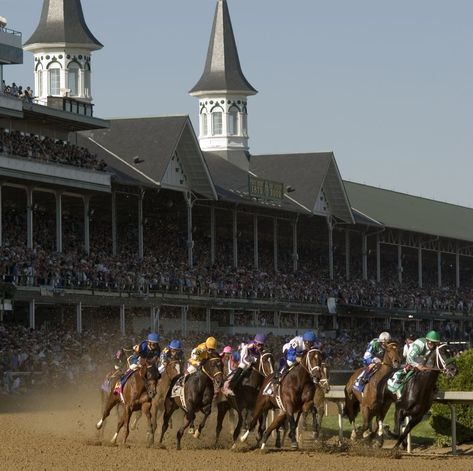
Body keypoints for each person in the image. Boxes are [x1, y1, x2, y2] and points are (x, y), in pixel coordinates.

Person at [388, 330, 441, 398]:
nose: (434, 345)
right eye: (433, 343)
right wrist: (418, 365)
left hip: (423, 360)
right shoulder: (420, 344)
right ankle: (398, 386)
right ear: (429, 341)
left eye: (435, 343)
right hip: (412, 359)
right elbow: (409, 358)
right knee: (409, 370)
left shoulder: (435, 347)